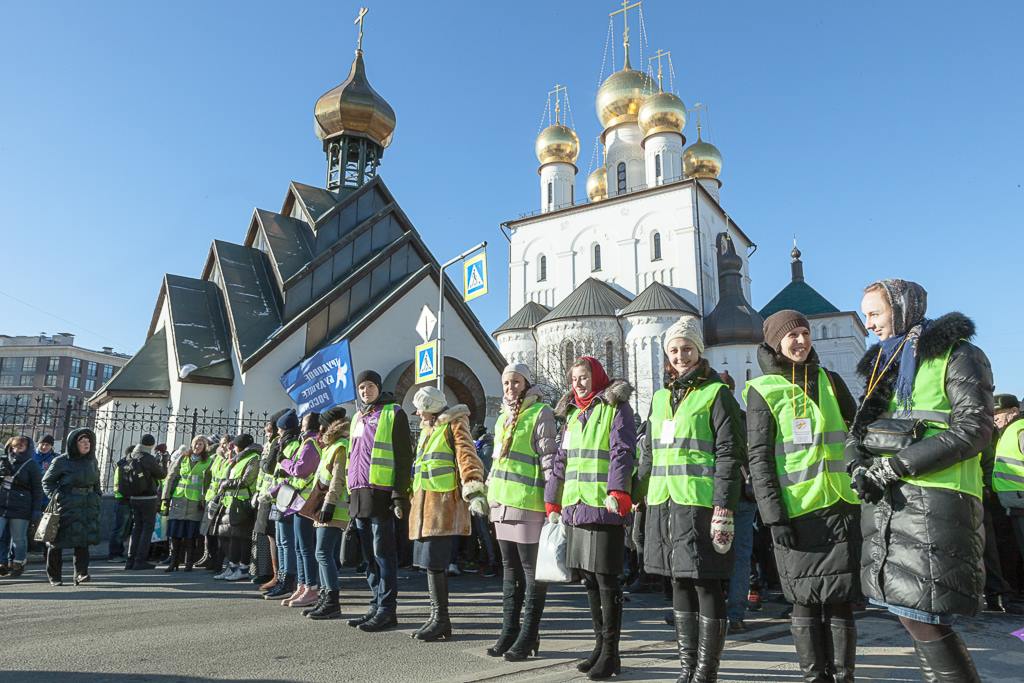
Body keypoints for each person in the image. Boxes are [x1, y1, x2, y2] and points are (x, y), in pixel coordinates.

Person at [847, 279, 991, 681]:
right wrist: (858, 465)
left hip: (938, 501)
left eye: (875, 313)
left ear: (902, 308)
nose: (868, 323)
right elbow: (860, 431)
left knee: (925, 618)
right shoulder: (883, 365)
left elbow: (974, 429)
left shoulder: (958, 354)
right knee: (915, 617)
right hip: (893, 504)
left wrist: (896, 465)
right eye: (865, 314)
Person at [744, 310, 861, 682]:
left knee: (841, 600)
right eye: (791, 335)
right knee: (805, 602)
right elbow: (759, 459)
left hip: (840, 506)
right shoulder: (763, 391)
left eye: (805, 333)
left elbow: (856, 435)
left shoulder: (831, 381)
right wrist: (773, 516)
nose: (800, 341)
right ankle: (815, 677)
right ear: (776, 342)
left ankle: (844, 676)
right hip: (796, 513)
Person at [635, 318, 745, 683]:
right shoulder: (660, 397)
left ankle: (706, 672)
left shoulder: (717, 395)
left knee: (706, 582)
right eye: (674, 350)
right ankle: (687, 668)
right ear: (667, 356)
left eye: (687, 349)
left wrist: (724, 506)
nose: (681, 356)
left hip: (701, 504)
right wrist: (639, 496)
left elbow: (729, 453)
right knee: (678, 582)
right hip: (664, 503)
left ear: (699, 351)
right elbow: (648, 452)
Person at [546, 356, 636, 681]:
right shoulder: (572, 415)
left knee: (607, 581)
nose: (579, 383)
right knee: (589, 582)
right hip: (576, 507)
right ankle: (599, 646)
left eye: (584, 377)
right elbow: (561, 461)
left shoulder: (615, 408)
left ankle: (612, 653)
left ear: (596, 377)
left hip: (604, 507)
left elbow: (622, 452)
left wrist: (619, 491)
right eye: (574, 379)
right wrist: (552, 501)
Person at [485, 363, 558, 660]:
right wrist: (487, 494)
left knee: (531, 572)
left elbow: (550, 459)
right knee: (509, 570)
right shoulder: (503, 417)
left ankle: (529, 635)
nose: (510, 387)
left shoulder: (541, 413)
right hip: (501, 503)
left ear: (527, 384)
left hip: (528, 502)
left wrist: (554, 501)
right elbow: (497, 462)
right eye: (506, 383)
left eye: (516, 382)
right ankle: (509, 631)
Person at [408, 385, 487, 641]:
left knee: (436, 565)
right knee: (431, 566)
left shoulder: (455, 425)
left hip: (443, 507)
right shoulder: (428, 431)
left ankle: (441, 619)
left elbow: (467, 457)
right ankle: (436, 617)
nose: (418, 415)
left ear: (430, 409)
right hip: (425, 508)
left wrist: (474, 490)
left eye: (420, 410)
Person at [346, 370, 414, 632]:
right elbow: (353, 457)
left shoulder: (393, 412)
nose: (366, 391)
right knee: (368, 557)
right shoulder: (357, 417)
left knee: (384, 554)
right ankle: (375, 604)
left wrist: (399, 494)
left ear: (379, 387)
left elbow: (403, 457)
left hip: (381, 494)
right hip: (359, 494)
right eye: (362, 387)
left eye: (370, 386)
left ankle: (387, 609)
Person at [273, 412, 322, 608]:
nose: (300, 424)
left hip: (305, 501)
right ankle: (302, 585)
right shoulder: (306, 442)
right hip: (298, 500)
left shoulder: (311, 443)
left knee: (305, 548)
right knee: (300, 548)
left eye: (304, 421)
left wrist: (284, 462)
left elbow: (301, 470)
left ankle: (310, 586)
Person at [42, 428, 101, 586]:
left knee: (83, 541)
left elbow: (96, 482)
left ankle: (81, 573)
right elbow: (47, 482)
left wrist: (97, 496)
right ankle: (55, 576)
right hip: (66, 506)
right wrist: (58, 497)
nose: (86, 444)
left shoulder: (92, 461)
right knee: (57, 542)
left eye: (88, 441)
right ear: (74, 444)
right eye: (82, 441)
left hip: (88, 505)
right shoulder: (61, 461)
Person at [306, 405, 350, 620]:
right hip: (324, 506)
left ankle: (332, 600)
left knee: (323, 553)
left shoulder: (341, 445)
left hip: (334, 508)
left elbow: (338, 479)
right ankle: (325, 596)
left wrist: (329, 504)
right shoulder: (330, 446)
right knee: (322, 553)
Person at [988, 393, 1024, 611]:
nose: (995, 419)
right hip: (1015, 503)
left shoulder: (1019, 430)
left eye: (998, 414)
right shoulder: (1007, 432)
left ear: (1013, 411)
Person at [212, 434, 261, 581]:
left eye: (235, 445)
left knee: (243, 537)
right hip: (233, 501)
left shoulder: (253, 458)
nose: (232, 448)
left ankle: (243, 568)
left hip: (244, 502)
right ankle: (232, 566)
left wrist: (226, 484)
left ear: (240, 446)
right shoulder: (239, 458)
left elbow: (246, 480)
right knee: (234, 536)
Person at [263, 413, 301, 600]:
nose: (277, 432)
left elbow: (286, 471)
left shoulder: (292, 445)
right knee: (280, 541)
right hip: (279, 496)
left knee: (286, 542)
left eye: (279, 428)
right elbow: (270, 468)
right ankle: (282, 578)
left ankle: (288, 580)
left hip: (287, 495)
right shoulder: (282, 443)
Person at [161, 436, 212, 572]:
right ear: (192, 444)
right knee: (175, 534)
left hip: (195, 503)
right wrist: (165, 497)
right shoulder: (183, 458)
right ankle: (174, 562)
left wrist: (205, 499)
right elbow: (171, 476)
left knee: (190, 535)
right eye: (196, 443)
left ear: (205, 446)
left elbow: (208, 482)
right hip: (179, 499)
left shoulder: (208, 461)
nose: (198, 446)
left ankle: (188, 562)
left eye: (201, 444)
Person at [253, 409, 290, 590]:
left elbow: (268, 467)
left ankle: (278, 575)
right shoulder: (272, 443)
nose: (267, 434)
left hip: (276, 495)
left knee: (276, 538)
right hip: (267, 494)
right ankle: (275, 574)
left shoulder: (277, 443)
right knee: (271, 537)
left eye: (269, 430)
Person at [0, 436, 44, 578]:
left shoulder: (31, 464)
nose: (16, 450)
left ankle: (18, 562)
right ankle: (2, 562)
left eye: (20, 447)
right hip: (2, 503)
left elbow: (38, 489)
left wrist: (36, 510)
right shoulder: (4, 460)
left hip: (21, 506)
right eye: (14, 447)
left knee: (18, 538)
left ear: (27, 448)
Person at [122, 434, 168, 570]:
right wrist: (164, 462)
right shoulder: (148, 458)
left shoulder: (131, 456)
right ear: (151, 445)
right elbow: (162, 475)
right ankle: (140, 560)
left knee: (136, 528)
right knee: (147, 529)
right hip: (148, 498)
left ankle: (130, 560)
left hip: (133, 498)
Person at [197, 435, 233, 572]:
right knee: (208, 531)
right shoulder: (216, 458)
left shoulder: (232, 459)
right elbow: (208, 476)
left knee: (220, 533)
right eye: (223, 443)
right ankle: (210, 558)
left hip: (223, 499)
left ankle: (218, 562)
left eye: (227, 443)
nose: (224, 446)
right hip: (211, 498)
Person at [107, 445, 134, 560]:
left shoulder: (129, 465)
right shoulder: (122, 465)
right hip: (122, 501)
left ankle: (119, 551)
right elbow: (118, 485)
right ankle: (114, 554)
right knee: (120, 528)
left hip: (127, 500)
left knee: (125, 528)